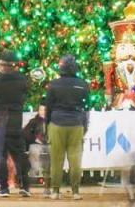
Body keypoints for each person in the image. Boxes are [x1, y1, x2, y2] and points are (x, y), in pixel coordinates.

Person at [45, 55, 90, 201]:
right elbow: (86, 108)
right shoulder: (83, 84)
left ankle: (55, 191)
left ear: (61, 67)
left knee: (56, 160)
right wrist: (84, 126)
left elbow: (48, 108)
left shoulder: (53, 84)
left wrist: (47, 126)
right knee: (75, 159)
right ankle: (76, 191)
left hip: (57, 123)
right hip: (76, 124)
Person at [0, 49, 30, 198]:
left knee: (1, 155)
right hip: (15, 121)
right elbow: (24, 95)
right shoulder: (22, 80)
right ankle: (25, 185)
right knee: (19, 154)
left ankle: (4, 187)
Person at [22, 101, 50, 186]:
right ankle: (35, 174)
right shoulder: (34, 121)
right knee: (34, 149)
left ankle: (49, 176)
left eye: (44, 110)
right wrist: (34, 139)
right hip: (36, 144)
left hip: (49, 144)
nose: (43, 112)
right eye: (41, 110)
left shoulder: (51, 122)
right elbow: (25, 133)